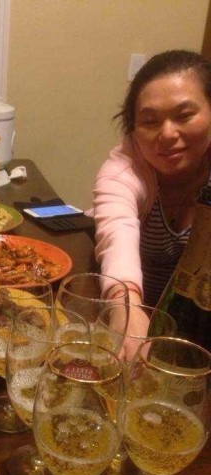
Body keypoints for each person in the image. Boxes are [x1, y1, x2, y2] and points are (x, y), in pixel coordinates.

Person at [91, 49, 211, 344]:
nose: (167, 134)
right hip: (133, 318)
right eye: (150, 121)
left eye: (184, 115)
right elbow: (116, 229)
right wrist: (126, 303)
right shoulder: (123, 167)